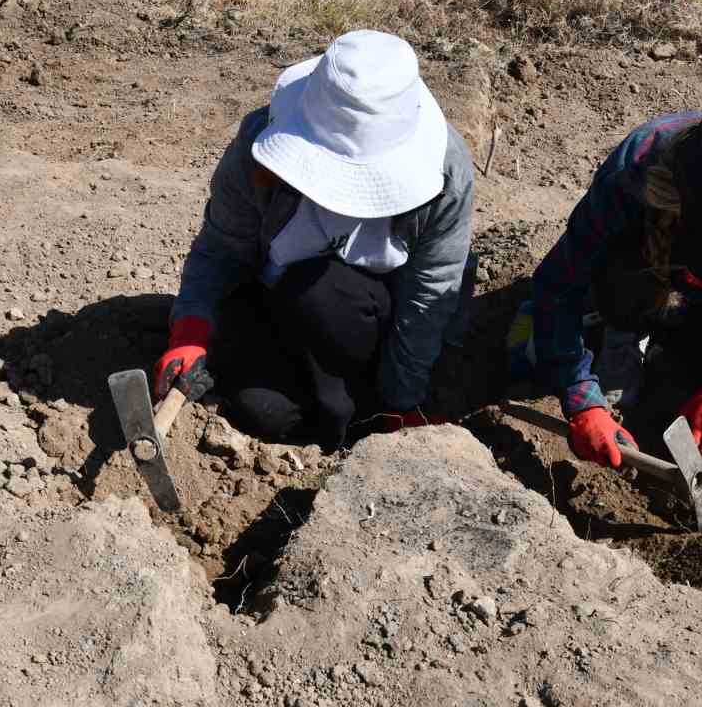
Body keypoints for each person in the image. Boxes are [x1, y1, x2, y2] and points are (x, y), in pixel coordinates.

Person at [154, 30, 475, 450]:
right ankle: (336, 420)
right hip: (278, 309)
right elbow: (221, 247)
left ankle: (357, 405)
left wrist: (401, 398)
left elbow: (428, 294)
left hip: (375, 323)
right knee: (262, 412)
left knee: (324, 292)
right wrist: (191, 327)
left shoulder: (444, 172)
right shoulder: (257, 144)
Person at [526, 97, 702, 477]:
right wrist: (581, 400)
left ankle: (677, 357)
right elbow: (559, 285)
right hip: (648, 269)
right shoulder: (637, 167)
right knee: (615, 289)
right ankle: (623, 339)